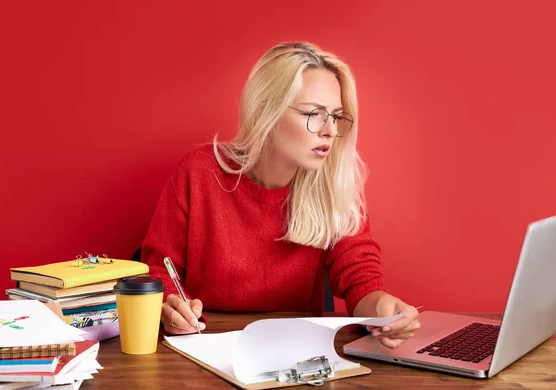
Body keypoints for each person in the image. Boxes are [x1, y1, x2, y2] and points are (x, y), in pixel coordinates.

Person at [141, 42, 420, 349]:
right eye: (314, 113)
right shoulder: (199, 171)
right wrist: (170, 305)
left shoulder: (333, 183)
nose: (329, 130)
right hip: (204, 345)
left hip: (295, 354)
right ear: (266, 111)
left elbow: (360, 279)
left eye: (336, 116)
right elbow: (158, 269)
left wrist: (380, 307)